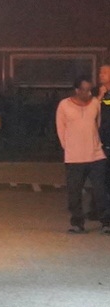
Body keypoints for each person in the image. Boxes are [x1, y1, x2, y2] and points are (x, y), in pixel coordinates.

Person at [54, 76, 110, 233]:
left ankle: (106, 222)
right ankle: (77, 223)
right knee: (74, 192)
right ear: (77, 90)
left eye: (90, 90)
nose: (88, 93)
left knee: (100, 191)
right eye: (84, 89)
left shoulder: (95, 104)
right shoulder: (64, 105)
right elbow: (61, 128)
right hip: (74, 157)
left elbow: (97, 124)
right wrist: (69, 148)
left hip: (96, 155)